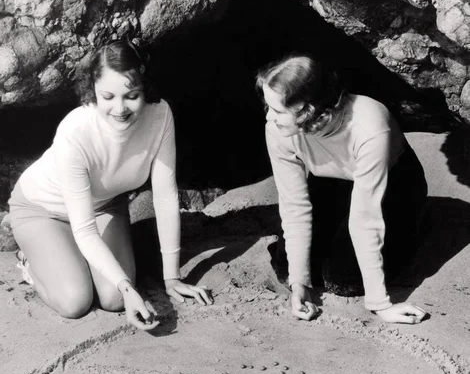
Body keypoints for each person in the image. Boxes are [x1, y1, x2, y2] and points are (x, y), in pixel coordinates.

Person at [8, 39, 212, 330]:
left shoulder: (160, 115)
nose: (120, 109)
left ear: (144, 85)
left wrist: (172, 278)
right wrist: (129, 288)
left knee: (113, 299)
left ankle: (71, 258)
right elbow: (84, 228)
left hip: (105, 205)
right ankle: (31, 259)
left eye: (132, 95)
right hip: (42, 210)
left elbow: (166, 198)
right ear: (93, 92)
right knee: (75, 301)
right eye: (108, 97)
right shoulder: (75, 131)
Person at [256, 54, 428, 324]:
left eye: (277, 110)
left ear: (306, 109)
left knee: (343, 278)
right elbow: (294, 205)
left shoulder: (369, 126)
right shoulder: (277, 128)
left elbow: (366, 219)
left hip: (393, 182)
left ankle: (413, 228)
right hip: (332, 179)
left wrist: (380, 305)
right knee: (288, 267)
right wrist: (299, 282)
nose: (270, 117)